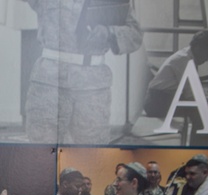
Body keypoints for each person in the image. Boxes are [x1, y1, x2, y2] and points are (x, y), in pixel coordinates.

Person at [23, 0, 143, 144]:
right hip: (50, 84)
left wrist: (109, 32)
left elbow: (135, 34)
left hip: (93, 89)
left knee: (92, 154)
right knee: (43, 151)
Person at [143, 30, 208, 119]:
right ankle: (201, 132)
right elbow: (190, 94)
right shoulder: (184, 60)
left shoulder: (187, 56)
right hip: (156, 102)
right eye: (207, 54)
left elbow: (194, 90)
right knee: (202, 107)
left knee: (203, 106)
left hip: (163, 98)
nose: (206, 59)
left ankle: (200, 132)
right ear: (198, 48)